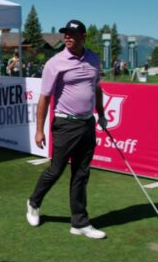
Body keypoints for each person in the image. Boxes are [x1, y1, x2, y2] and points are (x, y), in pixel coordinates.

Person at [26, 20, 108, 239]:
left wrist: (101, 114)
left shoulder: (93, 58)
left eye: (72, 34)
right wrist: (39, 130)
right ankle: (34, 202)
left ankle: (79, 223)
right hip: (65, 124)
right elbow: (45, 97)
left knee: (81, 174)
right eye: (65, 34)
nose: (67, 37)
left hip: (87, 123)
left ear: (83, 37)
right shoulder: (56, 62)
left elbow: (96, 88)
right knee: (56, 169)